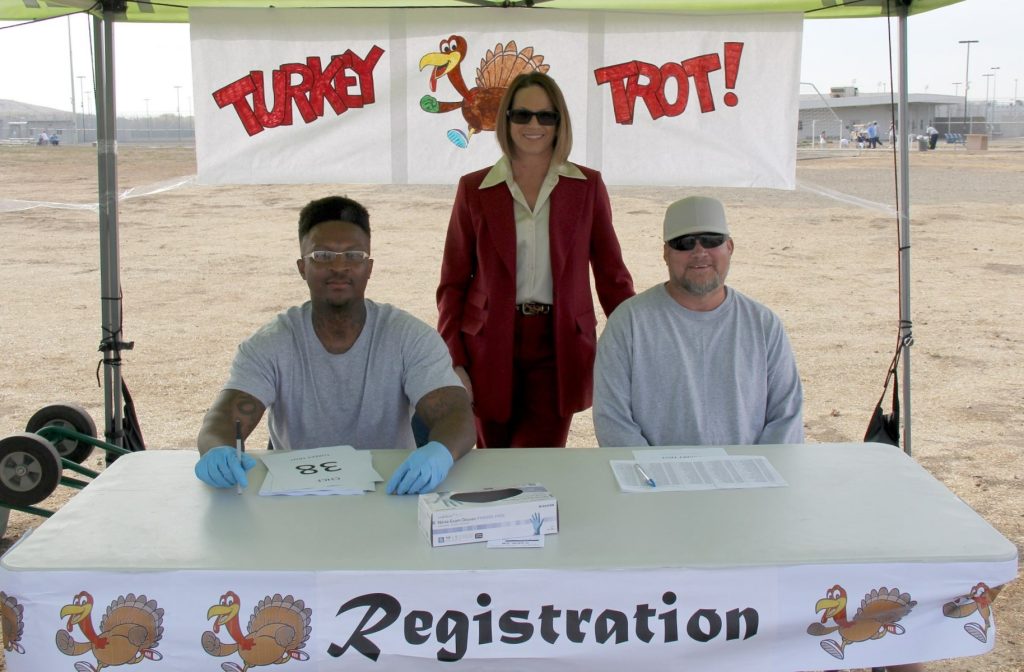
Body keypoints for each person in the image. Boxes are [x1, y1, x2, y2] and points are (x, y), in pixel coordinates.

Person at [195, 196, 475, 495]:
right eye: (323, 256)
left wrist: (441, 453)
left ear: (369, 267)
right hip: (296, 496)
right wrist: (216, 449)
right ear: (302, 267)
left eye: (354, 255)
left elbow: (456, 417)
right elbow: (224, 418)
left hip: (391, 489)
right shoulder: (270, 344)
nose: (339, 267)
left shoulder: (410, 337)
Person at [437, 72, 635, 448]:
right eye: (522, 115)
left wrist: (638, 341)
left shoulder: (587, 186)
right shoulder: (474, 189)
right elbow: (453, 283)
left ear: (560, 122)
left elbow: (612, 277)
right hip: (488, 346)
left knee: (537, 461)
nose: (534, 125)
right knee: (492, 459)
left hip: (558, 345)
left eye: (546, 116)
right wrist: (454, 359)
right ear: (505, 120)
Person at [593, 195, 804, 448]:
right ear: (666, 253)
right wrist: (657, 477)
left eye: (711, 240)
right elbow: (612, 420)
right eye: (684, 243)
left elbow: (786, 418)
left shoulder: (763, 324)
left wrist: (757, 475)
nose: (699, 252)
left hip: (747, 481)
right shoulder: (628, 324)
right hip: (657, 481)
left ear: (730, 247)